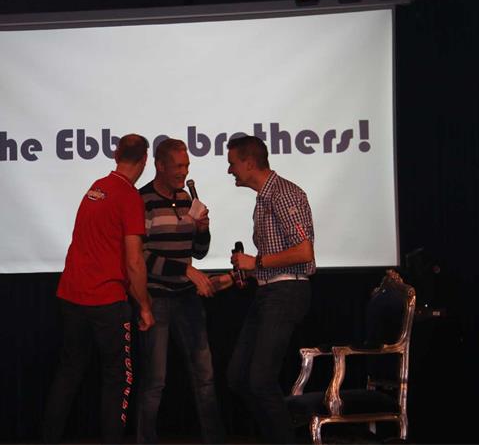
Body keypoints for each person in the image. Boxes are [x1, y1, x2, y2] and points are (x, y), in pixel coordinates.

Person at [42, 134, 155, 444]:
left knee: (69, 373)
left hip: (71, 295)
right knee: (118, 378)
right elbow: (134, 261)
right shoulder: (128, 196)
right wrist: (144, 306)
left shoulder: (97, 188)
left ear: (116, 155)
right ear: (144, 160)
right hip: (106, 300)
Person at [224, 135, 316, 444]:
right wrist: (233, 277)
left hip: (287, 292)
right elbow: (270, 261)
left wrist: (256, 261)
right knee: (238, 377)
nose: (229, 170)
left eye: (232, 163)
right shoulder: (263, 199)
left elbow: (304, 252)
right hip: (268, 292)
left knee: (260, 379)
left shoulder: (284, 194)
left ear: (249, 163)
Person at [136, 138, 225, 444]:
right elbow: (140, 257)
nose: (184, 172)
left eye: (186, 165)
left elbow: (198, 252)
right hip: (156, 297)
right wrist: (184, 270)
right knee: (154, 381)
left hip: (187, 298)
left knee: (205, 377)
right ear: (160, 166)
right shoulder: (142, 200)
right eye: (178, 166)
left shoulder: (187, 199)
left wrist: (203, 231)